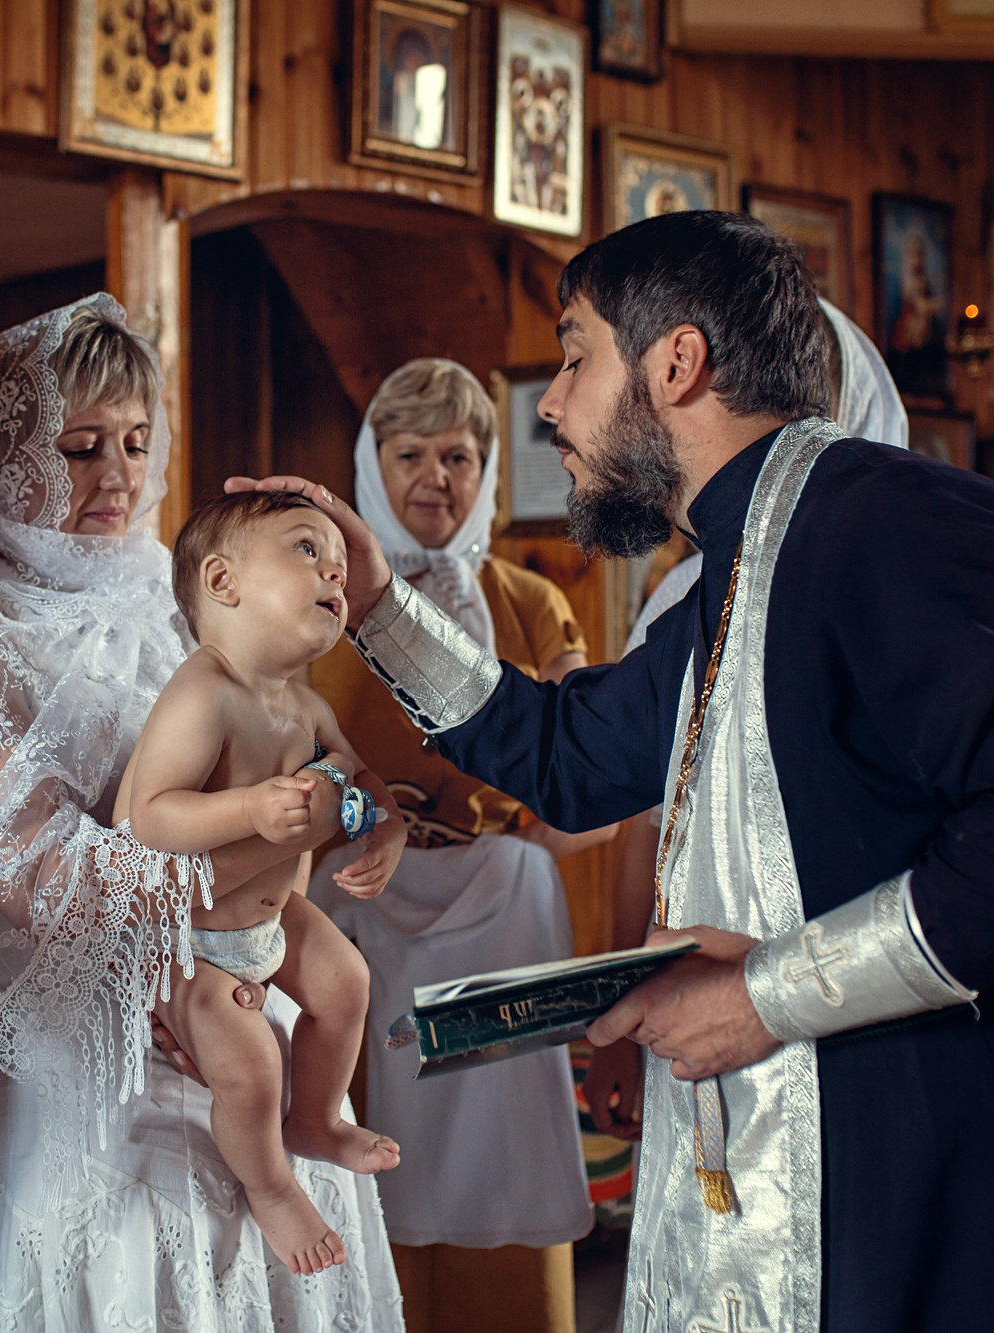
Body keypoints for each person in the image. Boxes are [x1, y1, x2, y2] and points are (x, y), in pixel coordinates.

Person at [240, 210, 994, 1332]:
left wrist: (761, 995)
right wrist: (372, 603)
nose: (549, 402)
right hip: (823, 1144)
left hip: (946, 1162)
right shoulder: (733, 569)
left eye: (571, 355)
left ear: (675, 362)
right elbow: (566, 756)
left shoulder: (895, 518)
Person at [0, 295, 405, 1331]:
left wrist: (345, 806)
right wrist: (204, 923)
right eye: (75, 447)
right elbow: (20, 869)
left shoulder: (176, 589)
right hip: (107, 1038)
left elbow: (287, 728)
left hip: (249, 996)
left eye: (133, 441)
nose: (114, 474)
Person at [304, 357, 611, 1324]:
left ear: (487, 471)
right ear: (371, 465)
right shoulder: (317, 596)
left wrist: (537, 811)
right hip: (352, 881)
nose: (434, 476)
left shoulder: (529, 601)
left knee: (522, 879)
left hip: (492, 889)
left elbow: (585, 773)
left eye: (459, 455)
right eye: (409, 454)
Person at [583, 295, 910, 1139]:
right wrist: (617, 1018)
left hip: (869, 985)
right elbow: (642, 820)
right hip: (696, 987)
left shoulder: (899, 574)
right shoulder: (683, 598)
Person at [123, 490, 403, 1277]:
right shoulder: (202, 690)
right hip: (195, 943)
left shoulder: (305, 702)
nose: (335, 574)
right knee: (248, 1069)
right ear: (223, 580)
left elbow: (362, 779)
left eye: (341, 568)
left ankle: (315, 1119)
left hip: (274, 921)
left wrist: (392, 827)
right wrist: (247, 805)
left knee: (347, 981)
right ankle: (272, 1183)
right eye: (308, 550)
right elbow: (150, 815)